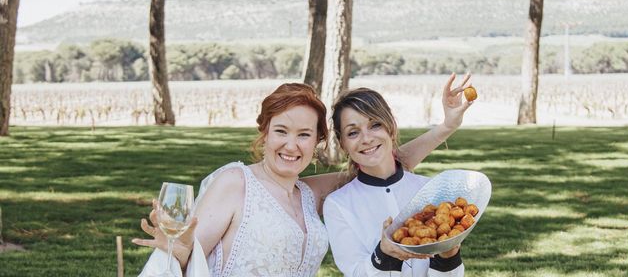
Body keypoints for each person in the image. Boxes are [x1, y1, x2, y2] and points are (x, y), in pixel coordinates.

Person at [134, 80, 468, 276]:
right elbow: (189, 258)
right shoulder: (235, 183)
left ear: (318, 142)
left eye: (304, 135)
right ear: (264, 133)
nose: (291, 145)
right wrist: (176, 251)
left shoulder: (310, 192)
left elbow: (386, 161)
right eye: (281, 131)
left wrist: (447, 126)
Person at [323, 75, 473, 276]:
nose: (366, 138)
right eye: (353, 132)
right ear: (343, 144)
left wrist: (448, 255)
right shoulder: (338, 205)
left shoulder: (430, 191)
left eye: (375, 125)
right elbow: (355, 272)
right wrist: (383, 254)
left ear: (391, 128)